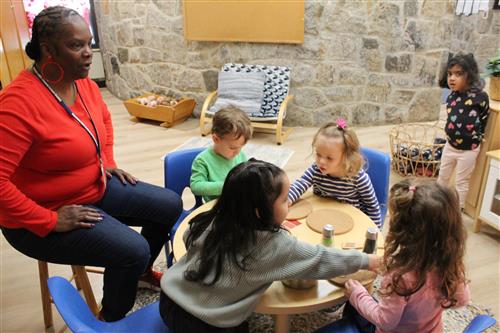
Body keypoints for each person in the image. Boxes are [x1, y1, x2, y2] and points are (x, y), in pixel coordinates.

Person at [0, 6, 182, 322]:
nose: (87, 54)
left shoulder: (81, 81)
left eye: (89, 43)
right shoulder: (18, 104)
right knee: (133, 249)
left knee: (169, 204)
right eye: (76, 46)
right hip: (41, 214)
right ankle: (110, 319)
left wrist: (106, 160)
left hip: (91, 186)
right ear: (48, 49)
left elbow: (104, 120)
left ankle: (135, 275)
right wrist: (48, 220)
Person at [160, 159, 379, 332]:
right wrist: (367, 260)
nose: (289, 204)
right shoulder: (275, 245)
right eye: (284, 200)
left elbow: (189, 237)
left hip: (169, 300)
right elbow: (320, 259)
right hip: (207, 325)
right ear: (259, 212)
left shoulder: (217, 217)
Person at [343, 179, 470, 333]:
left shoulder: (400, 277)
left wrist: (357, 295)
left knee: (354, 302)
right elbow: (461, 300)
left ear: (403, 232)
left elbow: (385, 321)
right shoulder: (449, 264)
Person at [288, 119, 382, 229]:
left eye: (329, 158)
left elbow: (372, 207)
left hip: (350, 223)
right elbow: (300, 184)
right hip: (322, 218)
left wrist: (374, 233)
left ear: (346, 158)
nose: (321, 162)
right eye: (318, 155)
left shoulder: (358, 178)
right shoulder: (316, 169)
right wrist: (288, 199)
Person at [437, 52, 490, 208]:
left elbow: (484, 117)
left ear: (470, 75)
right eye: (450, 74)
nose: (452, 78)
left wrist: (478, 137)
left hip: (469, 150)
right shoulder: (452, 96)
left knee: (461, 182)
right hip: (450, 145)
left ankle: (456, 212)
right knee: (442, 178)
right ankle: (437, 206)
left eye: (458, 74)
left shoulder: (481, 97)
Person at [190, 106, 252, 202]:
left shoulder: (240, 155)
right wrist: (226, 186)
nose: (238, 152)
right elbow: (196, 186)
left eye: (241, 147)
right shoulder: (202, 160)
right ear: (216, 139)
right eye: (233, 148)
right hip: (217, 208)